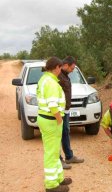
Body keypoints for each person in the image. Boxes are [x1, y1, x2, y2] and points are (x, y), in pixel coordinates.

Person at [37, 57, 71, 192]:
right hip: (51, 120)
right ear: (57, 67)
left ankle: (58, 178)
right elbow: (52, 105)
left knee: (55, 150)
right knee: (51, 153)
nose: (61, 70)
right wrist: (60, 120)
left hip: (47, 119)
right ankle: (51, 185)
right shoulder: (51, 83)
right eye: (60, 68)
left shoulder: (45, 79)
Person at [59, 56, 84, 170]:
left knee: (65, 133)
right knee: (57, 136)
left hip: (66, 110)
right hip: (59, 111)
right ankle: (59, 160)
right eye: (72, 68)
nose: (73, 70)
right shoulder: (58, 76)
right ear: (66, 65)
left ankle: (69, 156)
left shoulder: (65, 76)